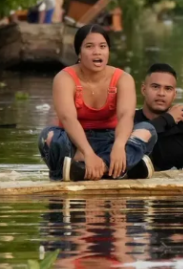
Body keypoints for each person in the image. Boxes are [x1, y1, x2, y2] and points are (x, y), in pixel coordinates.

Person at [37, 24, 157, 182]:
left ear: (108, 51)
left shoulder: (123, 79)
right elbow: (68, 119)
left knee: (147, 130)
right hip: (74, 143)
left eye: (102, 46)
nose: (97, 52)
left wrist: (119, 146)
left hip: (111, 140)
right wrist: (86, 152)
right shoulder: (64, 78)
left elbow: (126, 117)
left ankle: (89, 169)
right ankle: (124, 169)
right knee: (49, 136)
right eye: (89, 46)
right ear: (79, 52)